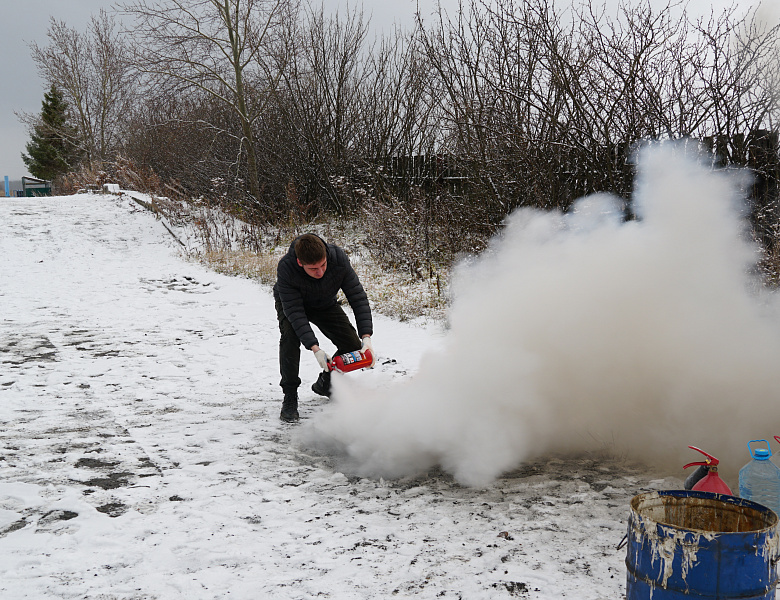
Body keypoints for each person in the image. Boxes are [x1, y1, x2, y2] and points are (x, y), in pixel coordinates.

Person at [273, 233, 374, 422]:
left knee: (352, 345)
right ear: (300, 263)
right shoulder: (286, 268)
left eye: (323, 265)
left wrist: (366, 337)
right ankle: (290, 396)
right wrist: (315, 348)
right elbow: (295, 313)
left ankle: (326, 383)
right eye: (313, 269)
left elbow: (358, 297)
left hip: (324, 303)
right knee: (289, 339)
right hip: (293, 305)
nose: (320, 272)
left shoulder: (338, 259)